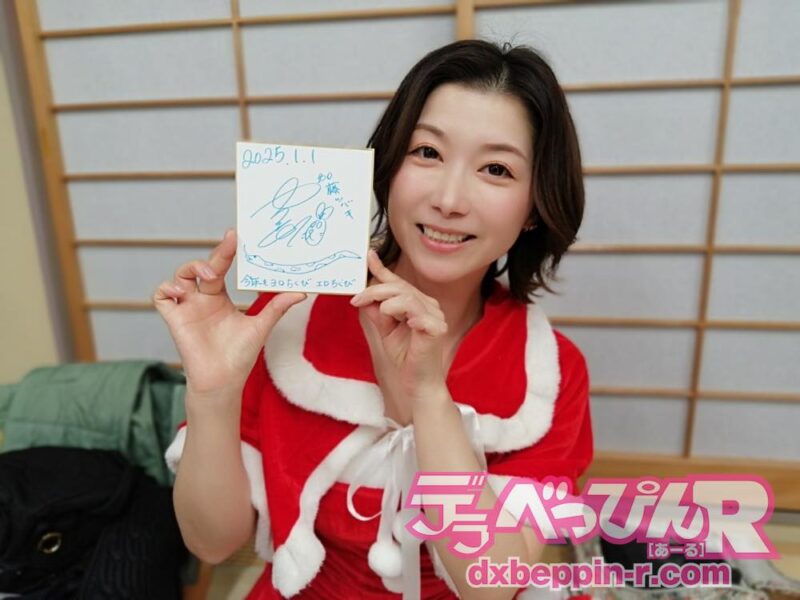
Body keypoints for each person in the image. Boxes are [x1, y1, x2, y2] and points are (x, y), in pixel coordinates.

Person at [155, 39, 592, 599]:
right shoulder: (289, 315)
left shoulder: (549, 372)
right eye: (427, 152)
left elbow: (490, 585)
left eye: (496, 168)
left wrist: (428, 397)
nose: (449, 199)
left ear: (534, 206)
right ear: (387, 166)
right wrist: (213, 394)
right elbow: (213, 543)